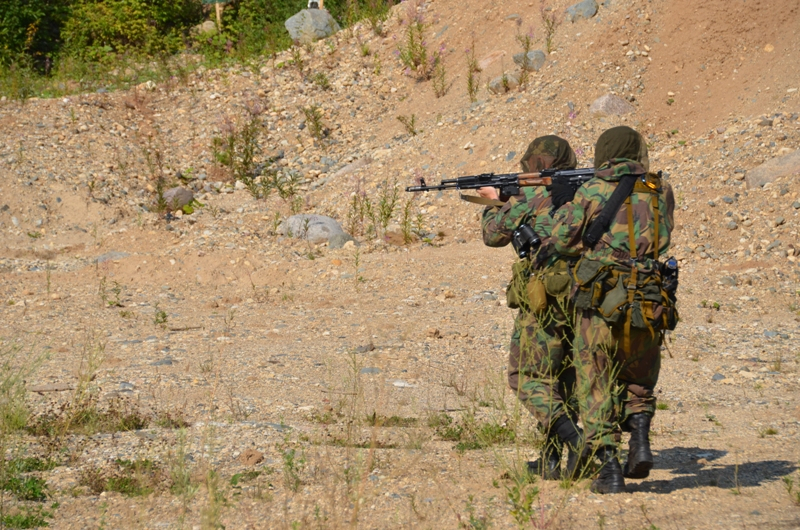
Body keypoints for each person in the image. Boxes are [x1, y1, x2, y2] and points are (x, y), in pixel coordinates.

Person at [547, 126, 676, 493]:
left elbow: (562, 240)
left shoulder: (591, 190)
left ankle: (609, 468)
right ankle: (639, 440)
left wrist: (562, 203)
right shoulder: (658, 188)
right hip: (650, 298)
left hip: (603, 300)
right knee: (639, 374)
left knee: (595, 379)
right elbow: (664, 234)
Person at [479, 135, 586, 480]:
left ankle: (578, 440)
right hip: (584, 294)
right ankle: (554, 458)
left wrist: (495, 202)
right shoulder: (585, 191)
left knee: (526, 377)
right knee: (564, 377)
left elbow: (493, 235)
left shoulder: (531, 195)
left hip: (545, 298)